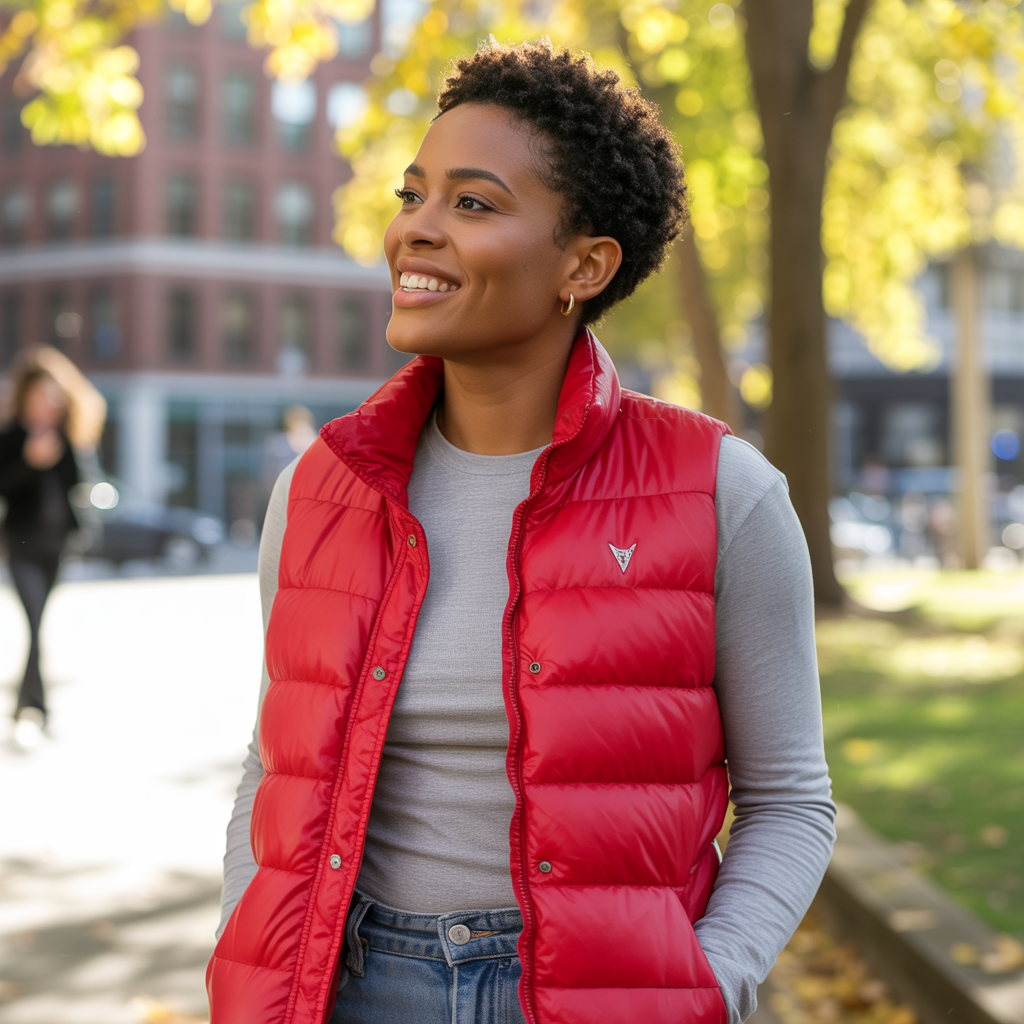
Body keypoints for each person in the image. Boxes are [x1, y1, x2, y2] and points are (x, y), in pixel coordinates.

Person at [208, 42, 835, 1024]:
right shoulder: (317, 491)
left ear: (583, 265)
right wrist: (248, 961)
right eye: (415, 194)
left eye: (472, 203)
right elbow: (275, 770)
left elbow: (791, 800)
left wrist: (705, 980)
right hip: (355, 988)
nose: (416, 229)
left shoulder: (721, 492)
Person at [0, 346, 106, 750]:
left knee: (38, 624)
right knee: (35, 623)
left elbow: (80, 485)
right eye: (42, 395)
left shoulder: (65, 437)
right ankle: (37, 709)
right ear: (27, 395)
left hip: (57, 543)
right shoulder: (10, 438)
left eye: (55, 397)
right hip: (21, 543)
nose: (49, 404)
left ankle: (25, 707)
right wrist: (28, 459)